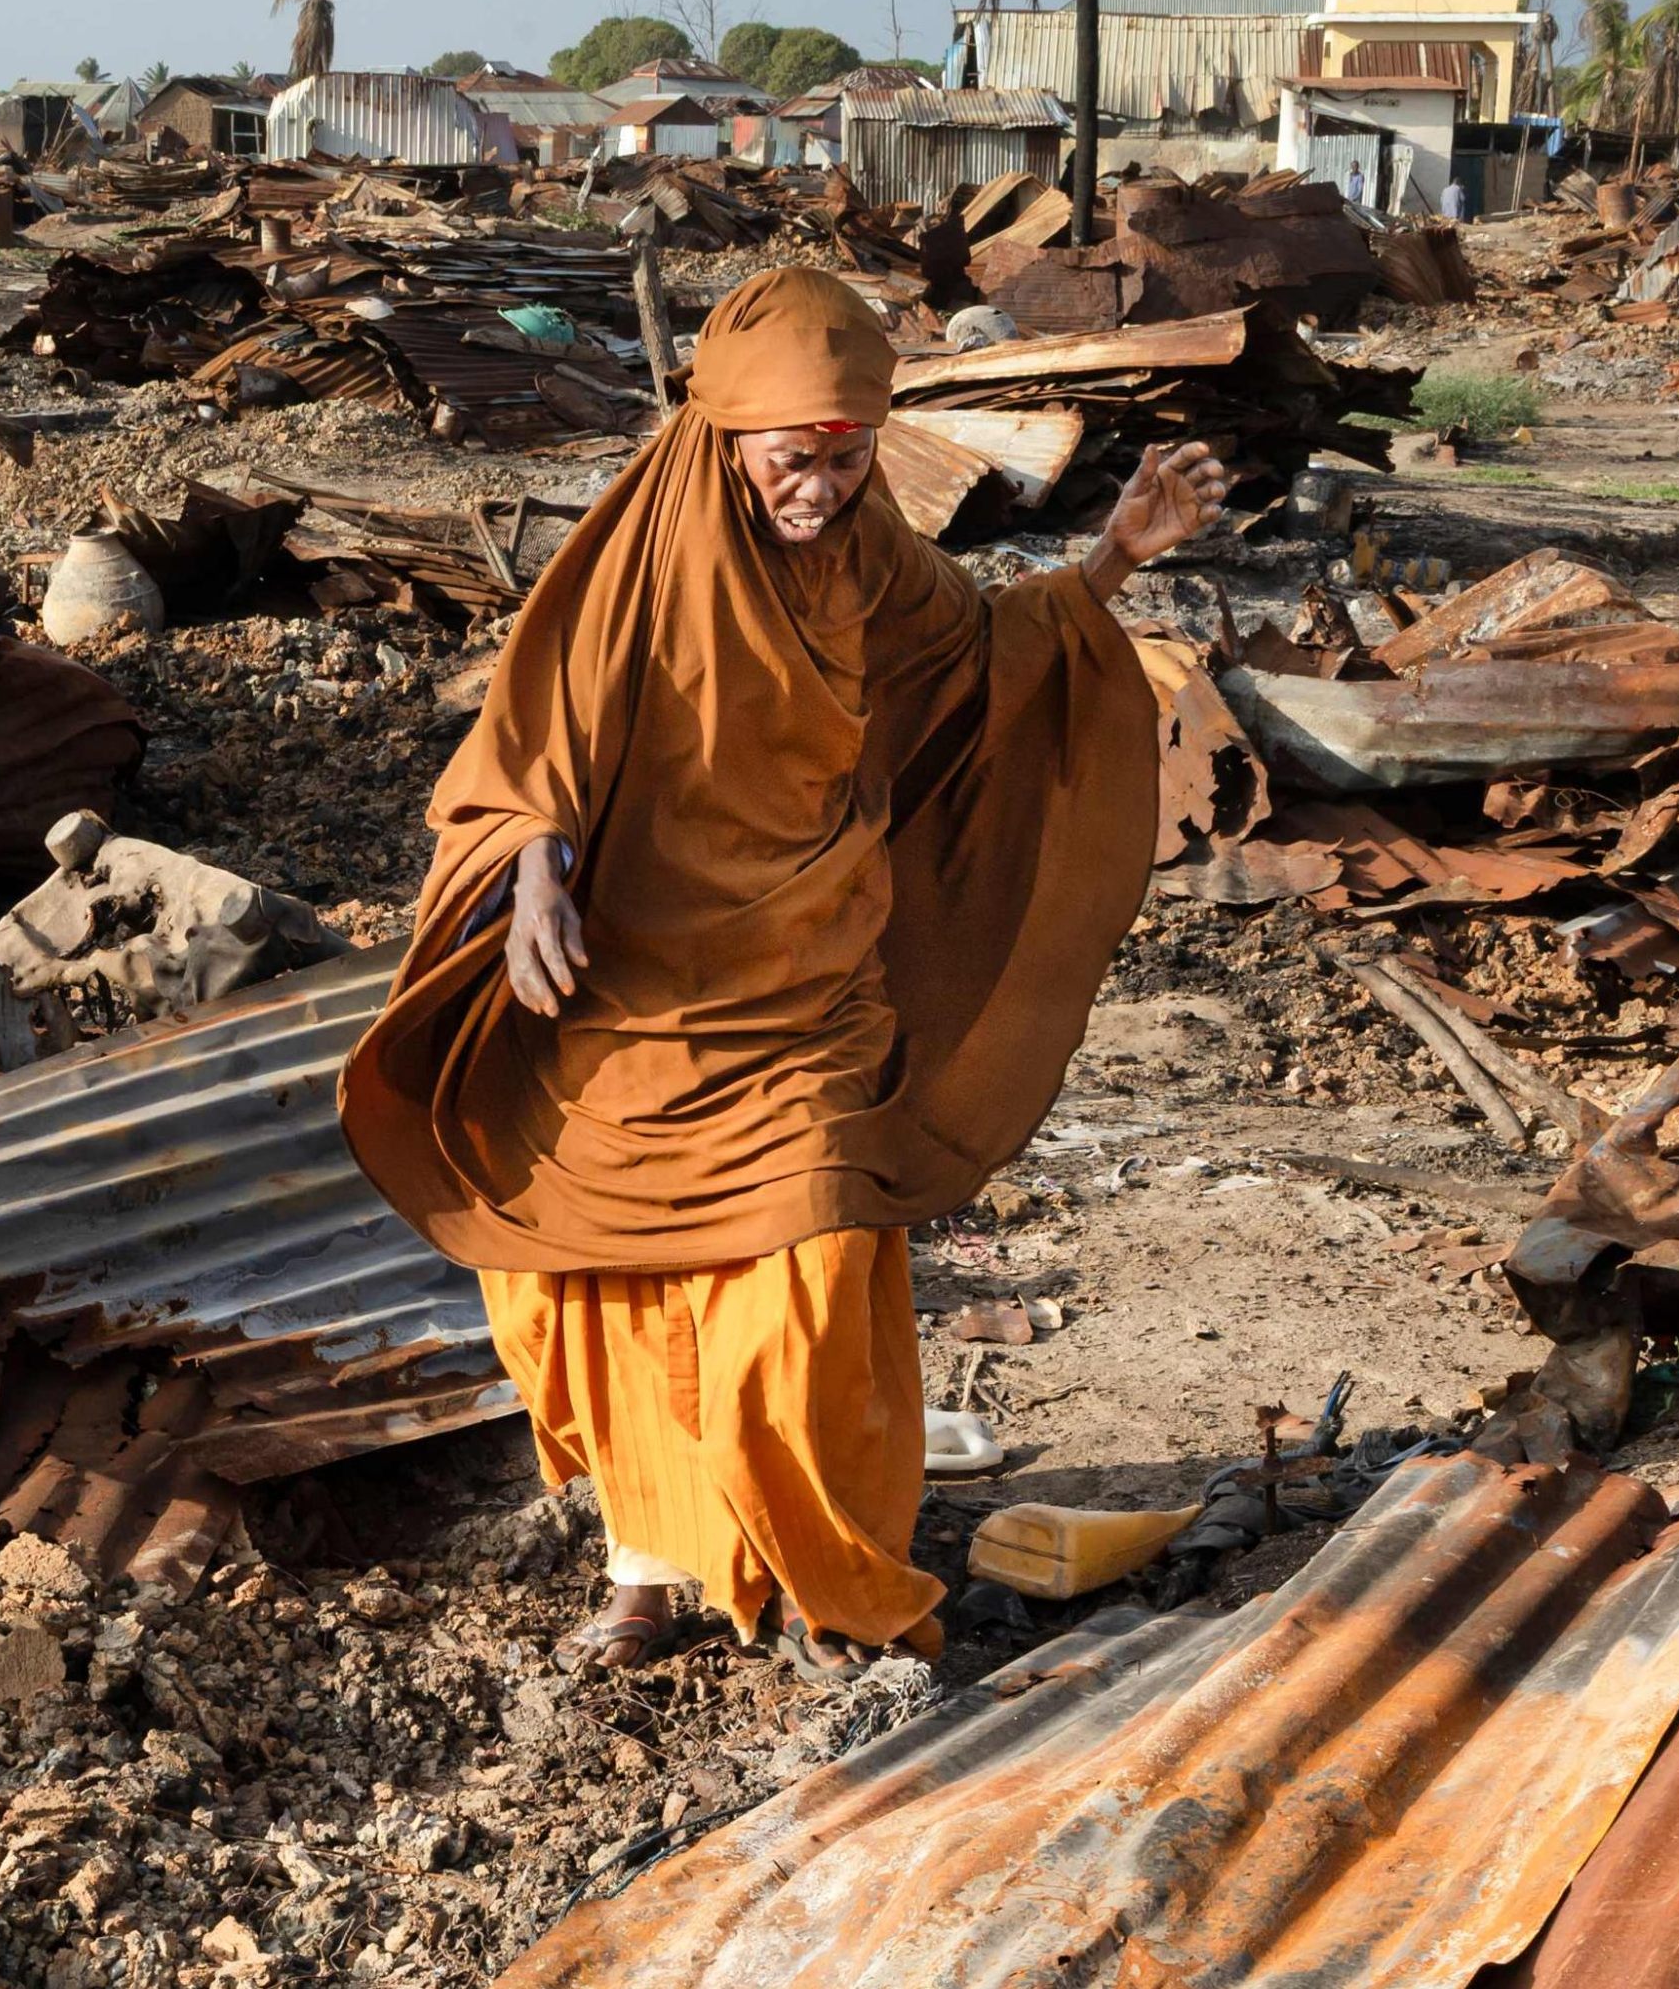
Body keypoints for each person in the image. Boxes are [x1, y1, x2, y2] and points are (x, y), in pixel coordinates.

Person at [338, 269, 1226, 1677]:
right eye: (791, 461)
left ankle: (826, 1578)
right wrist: (529, 875)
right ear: (726, 439)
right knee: (607, 1286)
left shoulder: (865, 547)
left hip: (810, 984)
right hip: (631, 995)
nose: (819, 488)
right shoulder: (636, 564)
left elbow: (977, 663)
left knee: (808, 1274)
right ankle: (647, 1567)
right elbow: (528, 752)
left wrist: (1113, 558)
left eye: (846, 455)